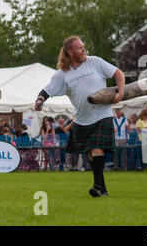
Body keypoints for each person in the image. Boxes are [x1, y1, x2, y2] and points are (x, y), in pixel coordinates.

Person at [34, 36, 125, 197]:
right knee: (91, 152)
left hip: (102, 114)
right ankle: (102, 189)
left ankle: (97, 187)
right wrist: (40, 100)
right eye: (80, 48)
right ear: (70, 52)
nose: (84, 50)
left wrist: (120, 92)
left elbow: (118, 74)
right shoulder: (63, 74)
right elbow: (48, 90)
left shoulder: (95, 62)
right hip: (82, 118)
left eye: (84, 46)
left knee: (96, 149)